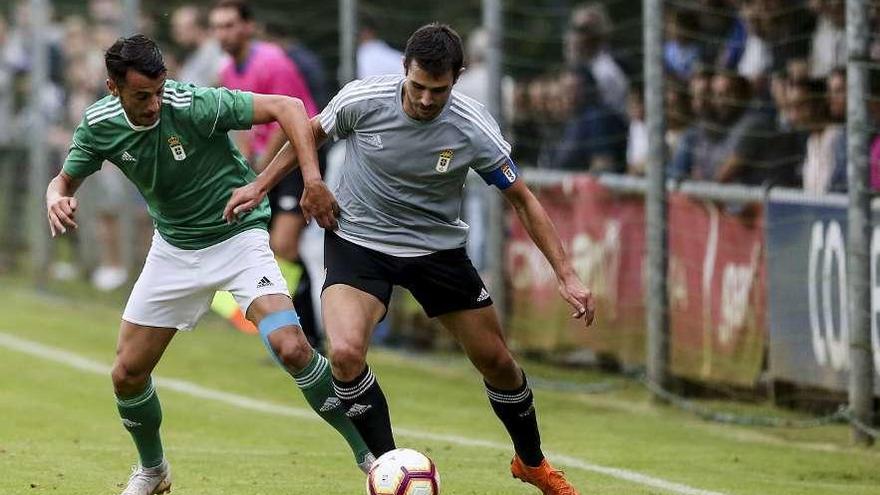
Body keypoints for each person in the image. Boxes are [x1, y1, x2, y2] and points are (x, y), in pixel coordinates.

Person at [225, 23, 595, 495]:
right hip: (358, 241)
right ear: (404, 69)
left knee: (497, 362)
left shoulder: (471, 125)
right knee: (343, 353)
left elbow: (522, 198)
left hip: (436, 249)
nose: (424, 99)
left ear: (456, 79)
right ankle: (386, 467)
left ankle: (533, 463)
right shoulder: (363, 99)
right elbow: (309, 131)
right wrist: (266, 185)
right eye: (418, 86)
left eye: (437, 90)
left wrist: (566, 274)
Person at [45, 34, 371, 495]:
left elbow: (291, 107)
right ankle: (153, 471)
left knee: (292, 347)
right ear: (112, 88)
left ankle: (369, 457)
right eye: (142, 96)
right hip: (174, 251)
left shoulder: (193, 104)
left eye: (159, 91)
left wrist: (312, 180)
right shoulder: (99, 125)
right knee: (126, 374)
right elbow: (62, 181)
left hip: (238, 238)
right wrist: (56, 198)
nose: (156, 104)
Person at [210, 0, 322, 345]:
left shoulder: (271, 60)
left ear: (248, 26)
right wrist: (245, 167)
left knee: (283, 245)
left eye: (229, 25)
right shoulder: (228, 69)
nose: (222, 33)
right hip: (263, 166)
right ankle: (290, 332)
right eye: (217, 26)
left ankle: (308, 333)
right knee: (265, 245)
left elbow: (288, 118)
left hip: (295, 158)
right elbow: (241, 124)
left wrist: (261, 168)